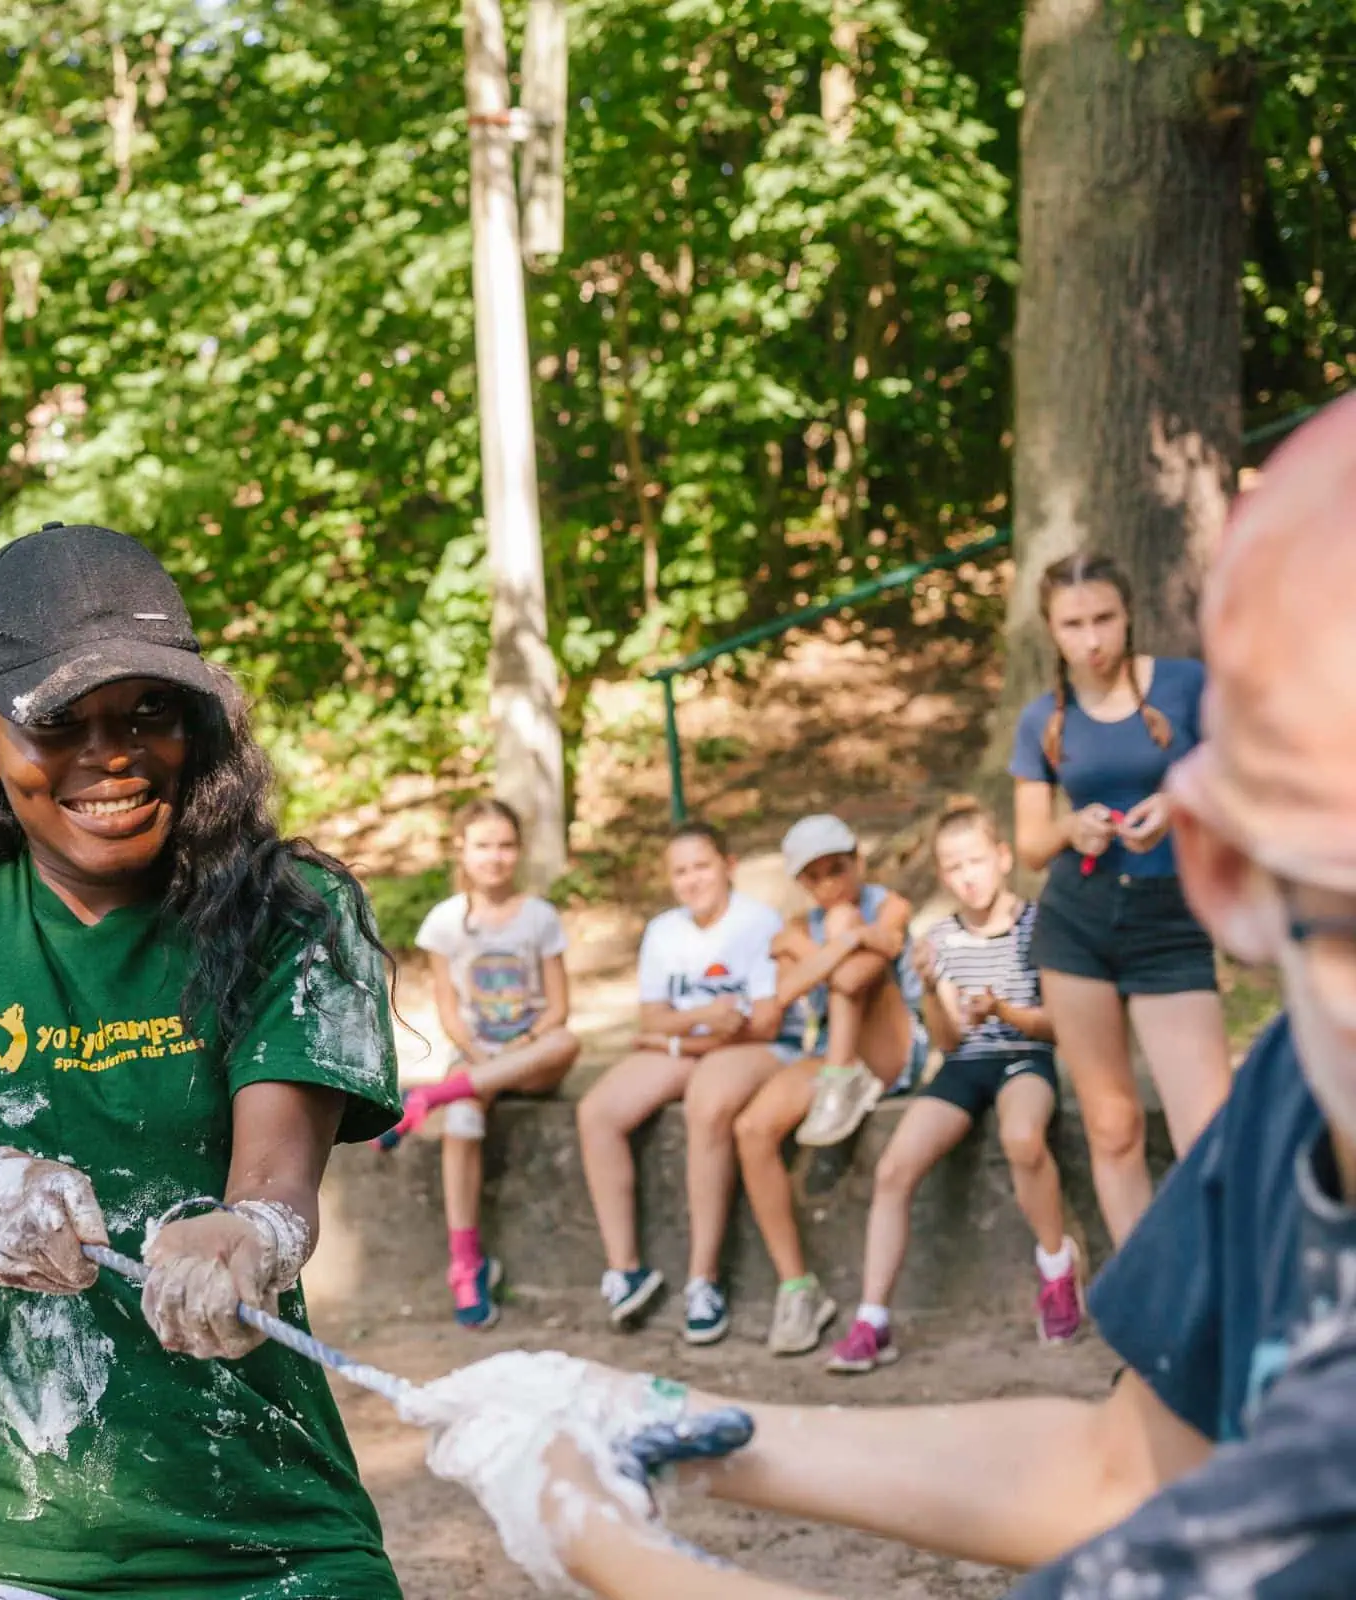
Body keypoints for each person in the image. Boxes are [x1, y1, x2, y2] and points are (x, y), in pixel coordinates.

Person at [407, 397, 1356, 1599]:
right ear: (1231, 873)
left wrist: (596, 1540)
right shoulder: (1291, 1106)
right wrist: (676, 1418)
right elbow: (1127, 1466)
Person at [0, 523, 405, 1600]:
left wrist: (246, 1234)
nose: (115, 755)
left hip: (271, 1531)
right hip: (0, 1530)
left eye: (152, 712)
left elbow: (279, 1188)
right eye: (62, 721)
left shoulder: (298, 911)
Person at [1011, 552, 1231, 1245]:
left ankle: (1234, 1303)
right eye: (1073, 624)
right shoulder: (1041, 718)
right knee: (1113, 1127)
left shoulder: (1186, 685)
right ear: (1051, 630)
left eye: (1104, 617)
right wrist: (1072, 826)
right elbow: (1028, 846)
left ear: (1128, 613)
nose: (1092, 638)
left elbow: (1242, 776)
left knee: (1211, 1134)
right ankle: (1148, 1324)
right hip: (1077, 925)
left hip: (1170, 921)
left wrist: (1178, 803)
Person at [823, 799, 1077, 1375]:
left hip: (1025, 1055)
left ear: (1004, 858)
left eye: (977, 861)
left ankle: (1057, 1268)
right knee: (893, 1169)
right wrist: (932, 988)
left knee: (1021, 1138)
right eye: (954, 867)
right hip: (966, 1065)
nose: (968, 877)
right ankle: (872, 1319)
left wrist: (1004, 1011)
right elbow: (948, 1042)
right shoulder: (939, 938)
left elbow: (1056, 1025)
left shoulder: (1040, 924)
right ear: (942, 875)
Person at [575, 821, 788, 1344]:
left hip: (751, 1051)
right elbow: (650, 1018)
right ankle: (626, 1270)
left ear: (728, 866)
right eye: (680, 872)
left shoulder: (759, 924)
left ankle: (703, 1279)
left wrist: (676, 1036)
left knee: (708, 1102)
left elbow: (762, 1022)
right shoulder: (664, 931)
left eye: (701, 866)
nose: (692, 880)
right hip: (693, 1047)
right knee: (597, 1112)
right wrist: (691, 1030)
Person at [730, 813, 928, 1355]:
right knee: (751, 1128)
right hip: (828, 1052)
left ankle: (843, 1082)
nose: (829, 885)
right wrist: (846, 943)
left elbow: (850, 979)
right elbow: (779, 998)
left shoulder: (888, 905)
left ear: (857, 862)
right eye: (814, 877)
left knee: (845, 946)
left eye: (837, 869)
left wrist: (826, 947)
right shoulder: (799, 925)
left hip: (889, 1049)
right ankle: (798, 1288)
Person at [380, 797, 580, 1329]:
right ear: (462, 851)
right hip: (475, 1056)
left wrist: (520, 1046)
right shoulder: (445, 923)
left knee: (567, 1043)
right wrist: (476, 1052)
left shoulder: (540, 917)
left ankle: (427, 1099)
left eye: (506, 845)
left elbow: (559, 1007)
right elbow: (448, 1008)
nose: (496, 857)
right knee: (464, 1123)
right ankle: (466, 1265)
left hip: (534, 1054)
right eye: (484, 846)